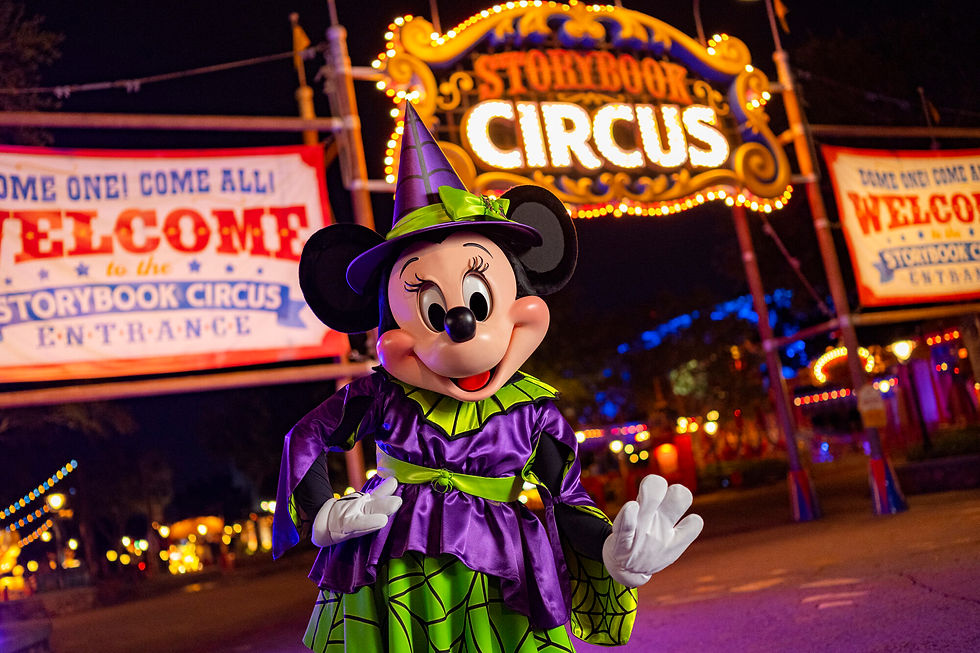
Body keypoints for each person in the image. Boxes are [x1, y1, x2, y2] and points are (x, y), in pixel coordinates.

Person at [273, 104, 703, 652]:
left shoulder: (533, 411)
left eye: (477, 300)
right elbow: (305, 436)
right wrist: (323, 514)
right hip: (394, 569)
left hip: (508, 570)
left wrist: (611, 548)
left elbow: (565, 499)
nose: (460, 326)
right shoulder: (382, 395)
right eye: (431, 309)